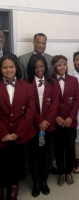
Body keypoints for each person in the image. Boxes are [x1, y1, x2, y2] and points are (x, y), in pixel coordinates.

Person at [0, 55, 36, 200]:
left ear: (16, 68)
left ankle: (13, 188)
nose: (8, 70)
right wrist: (3, 133)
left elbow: (30, 111)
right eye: (4, 67)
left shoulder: (27, 87)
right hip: (1, 134)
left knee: (16, 164)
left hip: (20, 134)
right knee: (0, 163)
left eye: (11, 66)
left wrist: (17, 133)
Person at [26, 54, 59, 197]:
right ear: (32, 68)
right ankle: (36, 183)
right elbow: (28, 105)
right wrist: (39, 121)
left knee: (46, 154)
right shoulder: (26, 83)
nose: (39, 69)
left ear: (45, 67)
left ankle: (44, 182)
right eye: (36, 67)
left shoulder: (52, 82)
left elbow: (55, 104)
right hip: (32, 125)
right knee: (33, 155)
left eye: (41, 66)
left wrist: (46, 121)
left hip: (48, 125)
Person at [51, 55, 79, 186]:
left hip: (70, 121)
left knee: (69, 147)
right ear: (54, 67)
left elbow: (77, 98)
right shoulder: (49, 81)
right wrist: (56, 116)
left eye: (64, 64)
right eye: (59, 64)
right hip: (55, 121)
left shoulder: (73, 80)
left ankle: (69, 172)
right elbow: (49, 102)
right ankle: (61, 172)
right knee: (58, 148)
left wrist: (70, 117)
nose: (62, 67)